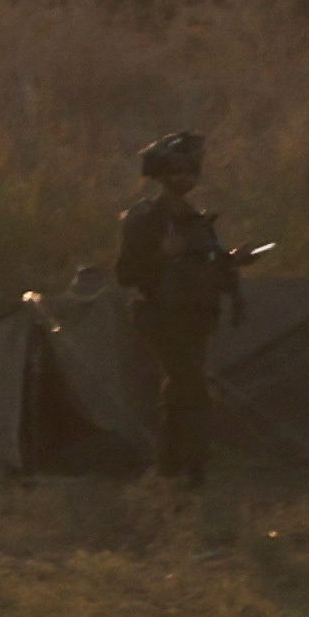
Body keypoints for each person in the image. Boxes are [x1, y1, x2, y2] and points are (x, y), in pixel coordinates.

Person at [109, 133, 249, 487]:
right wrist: (162, 257)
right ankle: (189, 473)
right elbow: (126, 274)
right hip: (163, 317)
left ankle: (172, 472)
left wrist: (232, 261)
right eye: (177, 170)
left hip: (195, 317)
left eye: (191, 169)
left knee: (179, 394)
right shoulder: (145, 218)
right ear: (161, 174)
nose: (185, 178)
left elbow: (204, 268)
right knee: (192, 391)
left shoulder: (197, 220)